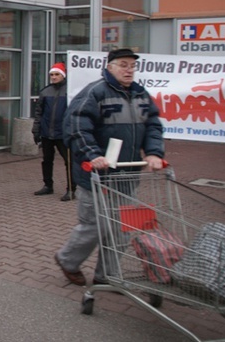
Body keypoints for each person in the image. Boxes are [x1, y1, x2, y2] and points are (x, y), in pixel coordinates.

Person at [54, 48, 165, 287]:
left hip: (126, 177)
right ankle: (68, 260)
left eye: (132, 66)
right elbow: (76, 127)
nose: (129, 70)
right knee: (95, 226)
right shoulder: (95, 93)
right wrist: (93, 155)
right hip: (96, 176)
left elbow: (153, 125)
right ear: (110, 67)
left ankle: (107, 275)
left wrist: (154, 153)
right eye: (123, 65)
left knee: (121, 229)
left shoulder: (140, 95)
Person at [31, 62, 75, 201]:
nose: (54, 77)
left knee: (69, 162)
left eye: (57, 74)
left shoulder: (71, 91)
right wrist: (36, 130)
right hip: (46, 133)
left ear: (63, 75)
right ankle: (48, 185)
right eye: (52, 75)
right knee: (47, 160)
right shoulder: (45, 91)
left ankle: (71, 189)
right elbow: (39, 112)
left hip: (63, 134)